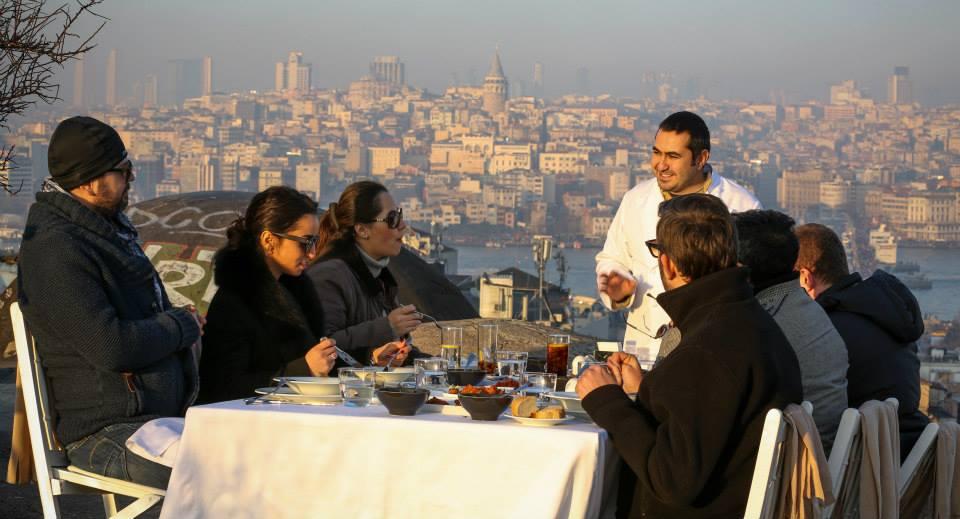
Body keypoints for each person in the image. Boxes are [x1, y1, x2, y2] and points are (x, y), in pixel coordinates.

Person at [578, 194, 802, 519]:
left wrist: (606, 401)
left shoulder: (708, 347)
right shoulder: (748, 321)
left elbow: (672, 480)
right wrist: (646, 388)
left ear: (667, 262)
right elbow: (700, 417)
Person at [17, 116, 202, 488]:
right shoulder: (56, 249)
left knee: (263, 459)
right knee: (231, 475)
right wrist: (181, 326)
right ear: (89, 181)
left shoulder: (107, 232)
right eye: (123, 170)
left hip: (157, 422)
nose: (130, 178)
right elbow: (111, 346)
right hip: (108, 433)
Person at [595, 111, 761, 358]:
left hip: (711, 345)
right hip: (643, 347)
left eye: (672, 156)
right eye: (656, 153)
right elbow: (612, 258)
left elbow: (754, 280)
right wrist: (618, 287)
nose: (661, 165)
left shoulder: (740, 205)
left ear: (701, 158)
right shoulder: (636, 199)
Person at [199, 186, 347, 403]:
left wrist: (372, 358)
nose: (313, 253)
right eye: (305, 243)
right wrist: (304, 369)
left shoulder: (294, 291)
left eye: (315, 242)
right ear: (269, 241)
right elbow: (225, 387)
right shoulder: (235, 302)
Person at [795, 223, 928, 459]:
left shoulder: (823, 332)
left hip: (859, 467)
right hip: (908, 457)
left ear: (806, 278)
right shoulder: (886, 313)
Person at [734, 210, 848, 451]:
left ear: (739, 268)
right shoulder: (813, 312)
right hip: (818, 462)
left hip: (785, 474)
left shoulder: (761, 326)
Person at [307, 181, 419, 366]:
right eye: (392, 218)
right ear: (362, 230)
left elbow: (388, 354)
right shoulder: (329, 276)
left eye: (399, 215)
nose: (402, 225)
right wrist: (388, 327)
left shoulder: (380, 276)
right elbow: (322, 348)